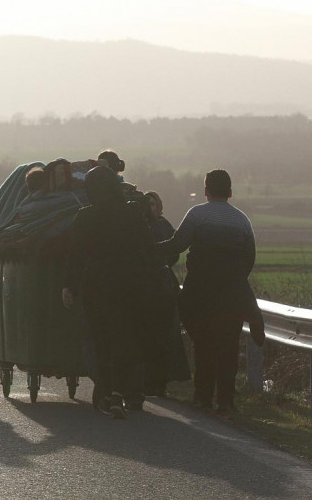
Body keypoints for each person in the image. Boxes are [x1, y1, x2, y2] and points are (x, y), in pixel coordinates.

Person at [157, 170, 265, 415]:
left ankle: (203, 396)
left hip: (199, 292)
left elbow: (177, 245)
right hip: (233, 293)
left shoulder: (197, 215)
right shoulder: (241, 220)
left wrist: (146, 247)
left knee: (203, 343)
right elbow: (249, 258)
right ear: (230, 192)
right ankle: (226, 400)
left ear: (206, 190)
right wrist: (233, 280)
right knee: (228, 345)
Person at [62, 166, 162, 419]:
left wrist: (69, 286)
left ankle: (106, 391)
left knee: (101, 338)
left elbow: (75, 256)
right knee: (125, 336)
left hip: (97, 284)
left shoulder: (85, 217)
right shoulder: (132, 213)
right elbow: (147, 249)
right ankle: (119, 391)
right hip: (130, 284)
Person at [142, 191, 191, 396]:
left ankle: (161, 380)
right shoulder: (138, 226)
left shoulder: (163, 226)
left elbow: (174, 252)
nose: (151, 208)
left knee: (164, 333)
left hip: (162, 283)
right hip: (143, 283)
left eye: (154, 204)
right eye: (148, 204)